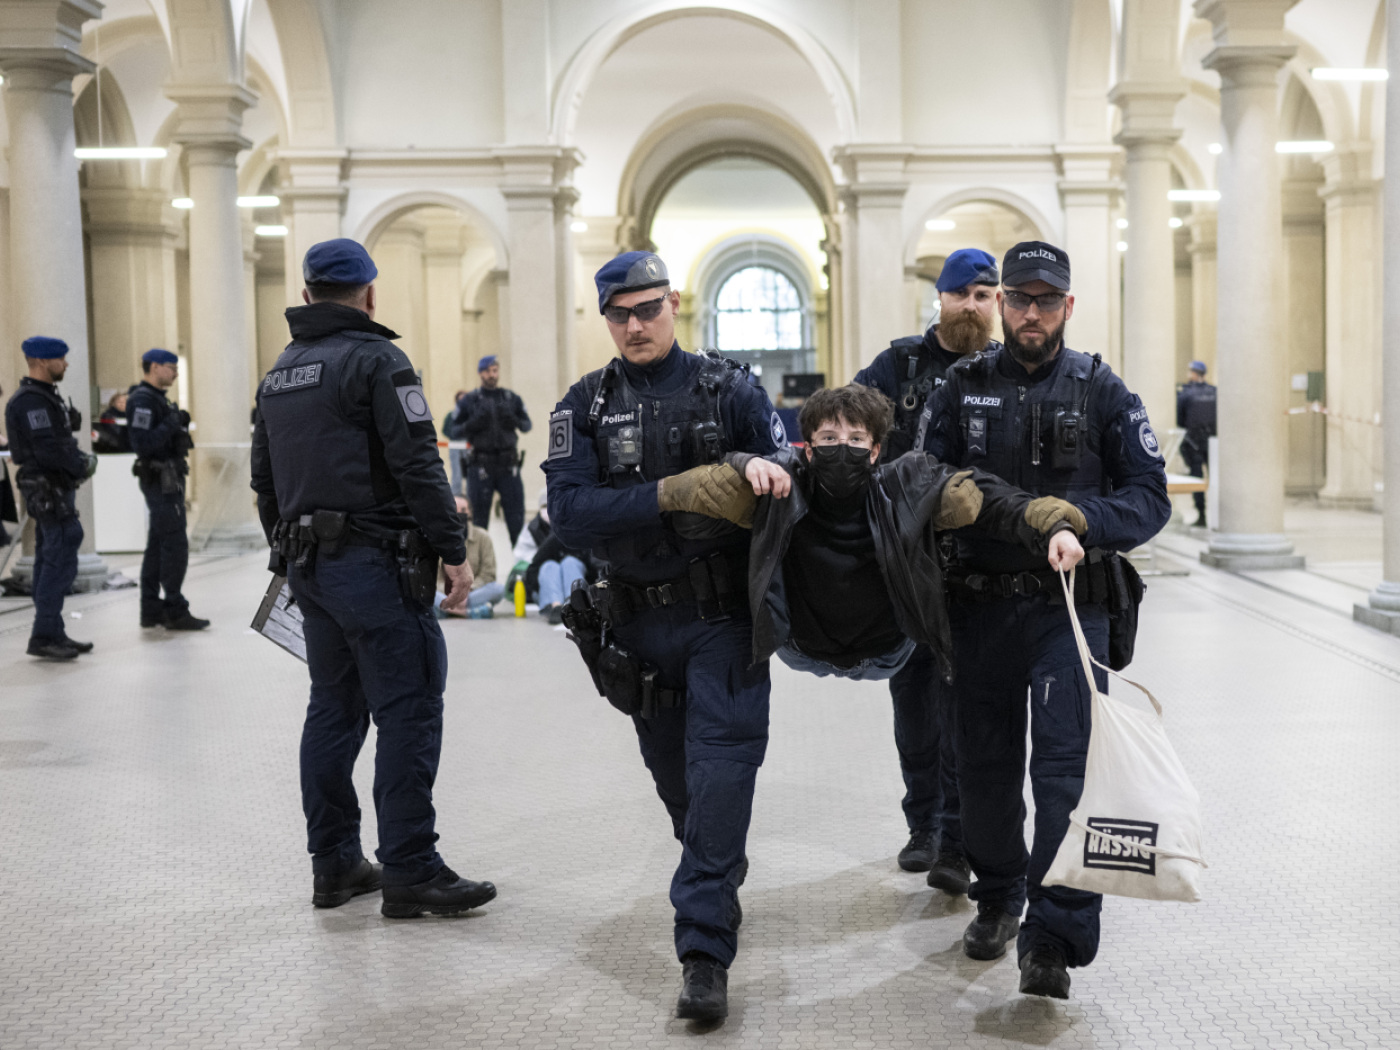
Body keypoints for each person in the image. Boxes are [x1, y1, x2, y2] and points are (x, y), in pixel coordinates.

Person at [921, 241, 1170, 1000]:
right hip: (980, 608)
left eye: (1047, 300)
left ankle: (1054, 937)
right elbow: (917, 477)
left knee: (1064, 776)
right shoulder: (961, 387)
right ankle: (998, 895)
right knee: (985, 772)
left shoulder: (1102, 390)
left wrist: (1083, 518)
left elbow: (1149, 496)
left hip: (1071, 612)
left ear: (1069, 306)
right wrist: (946, 497)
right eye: (1020, 299)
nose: (1033, 312)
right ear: (1000, 304)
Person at [544, 250, 785, 1024]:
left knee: (721, 770)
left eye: (647, 309)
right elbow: (569, 512)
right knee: (680, 788)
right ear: (606, 317)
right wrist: (670, 494)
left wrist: (758, 465)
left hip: (724, 622)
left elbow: (785, 465)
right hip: (637, 626)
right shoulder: (583, 405)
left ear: (673, 304)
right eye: (620, 314)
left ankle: (703, 951)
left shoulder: (732, 388)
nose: (635, 325)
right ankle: (715, 869)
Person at [250, 238, 496, 918]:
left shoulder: (280, 373)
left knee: (333, 709)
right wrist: (454, 551)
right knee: (409, 707)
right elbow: (419, 467)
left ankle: (334, 865)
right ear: (370, 295)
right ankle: (411, 868)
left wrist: (291, 555)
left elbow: (263, 482)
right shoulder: (379, 360)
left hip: (310, 570)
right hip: (375, 567)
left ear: (305, 296)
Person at [656, 383, 1088, 678]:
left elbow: (990, 498)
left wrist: (1056, 525)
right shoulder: (781, 484)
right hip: (800, 650)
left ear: (876, 450)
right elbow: (698, 493)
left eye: (856, 439)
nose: (842, 448)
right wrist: (740, 462)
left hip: (888, 652)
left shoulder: (908, 483)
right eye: (828, 438)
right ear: (806, 447)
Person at [853, 247, 1002, 889]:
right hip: (909, 571)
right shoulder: (897, 366)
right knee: (914, 706)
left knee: (966, 707)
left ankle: (957, 840)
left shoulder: (1007, 370)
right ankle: (924, 823)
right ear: (938, 299)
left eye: (983, 294)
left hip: (982, 570)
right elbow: (851, 430)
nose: (972, 305)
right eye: (960, 294)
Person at [3, 336, 98, 660]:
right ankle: (44, 634)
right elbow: (47, 450)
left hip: (56, 487)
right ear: (43, 361)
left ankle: (52, 631)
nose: (66, 363)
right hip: (48, 488)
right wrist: (80, 465)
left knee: (55, 555)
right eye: (61, 358)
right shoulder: (31, 401)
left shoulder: (45, 397)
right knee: (59, 556)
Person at [127, 349, 208, 631]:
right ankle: (174, 607)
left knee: (157, 546)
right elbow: (143, 444)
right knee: (174, 544)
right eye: (171, 367)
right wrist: (170, 424)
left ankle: (150, 608)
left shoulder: (157, 399)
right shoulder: (142, 401)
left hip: (168, 479)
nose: (175, 372)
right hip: (160, 480)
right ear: (154, 367)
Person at [455, 355, 532, 546]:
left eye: (495, 370)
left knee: (516, 520)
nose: (492, 375)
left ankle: (519, 569)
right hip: (481, 466)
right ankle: (478, 567)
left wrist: (513, 420)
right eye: (488, 371)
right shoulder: (470, 400)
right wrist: (473, 424)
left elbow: (526, 425)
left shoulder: (510, 398)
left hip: (508, 466)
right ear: (481, 373)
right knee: (479, 523)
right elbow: (452, 430)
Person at [435, 497, 504, 618]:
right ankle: (469, 612)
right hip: (445, 593)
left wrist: (466, 591)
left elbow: (488, 574)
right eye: (455, 509)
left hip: (472, 593)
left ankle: (446, 611)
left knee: (498, 589)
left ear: (470, 512)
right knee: (424, 592)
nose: (459, 513)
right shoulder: (438, 538)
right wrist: (452, 593)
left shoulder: (483, 537)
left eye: (463, 509)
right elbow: (434, 578)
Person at [1176, 360, 1216, 528]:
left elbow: (1180, 419)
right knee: (1215, 478)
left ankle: (1202, 515)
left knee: (1197, 479)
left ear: (1193, 373)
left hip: (1194, 442)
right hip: (1213, 442)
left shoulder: (1185, 394)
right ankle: (1219, 515)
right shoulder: (1215, 392)